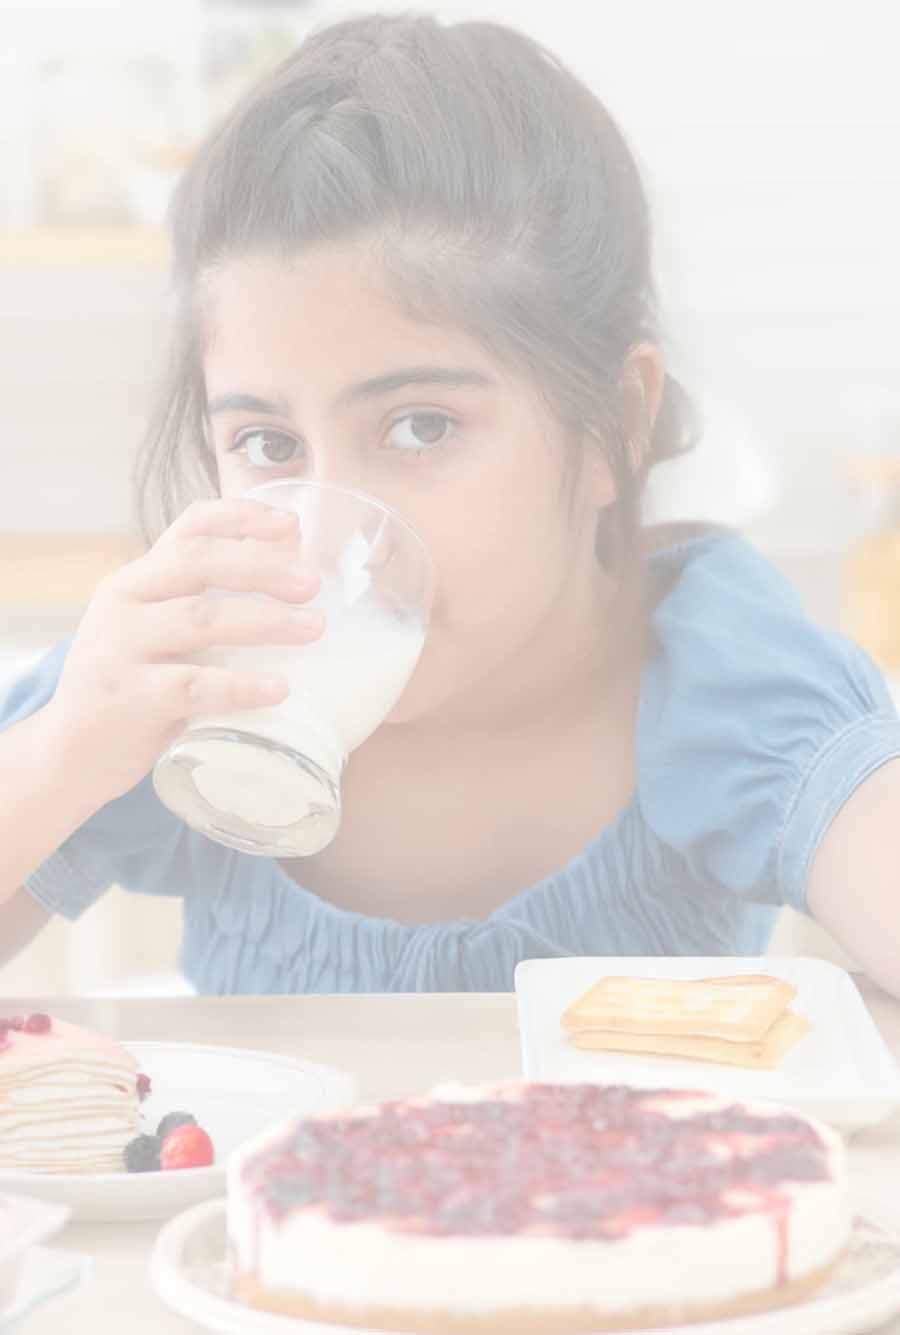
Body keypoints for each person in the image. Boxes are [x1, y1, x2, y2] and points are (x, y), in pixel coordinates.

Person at [2, 12, 899, 996]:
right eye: (268, 445)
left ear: (613, 427)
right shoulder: (201, 678)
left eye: (420, 428)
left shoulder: (711, 670)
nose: (336, 542)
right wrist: (62, 756)